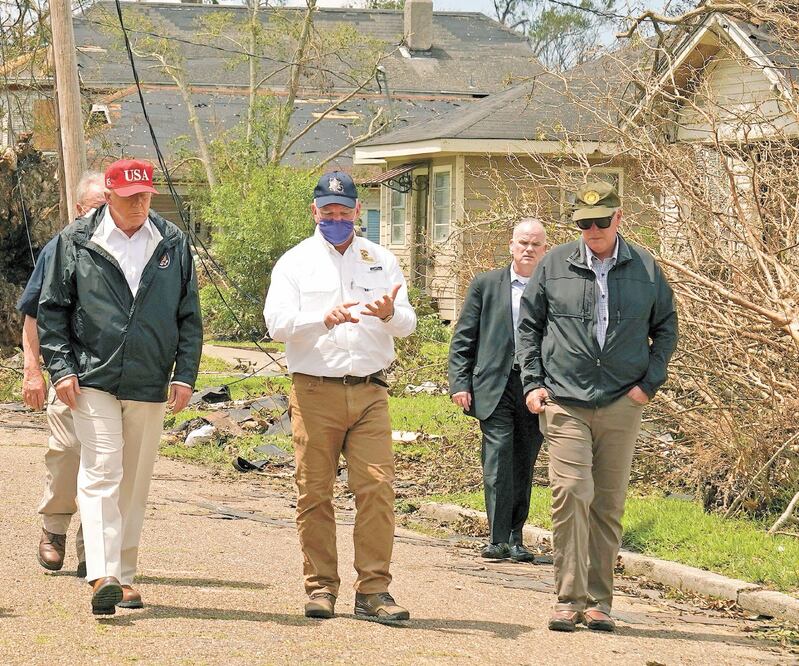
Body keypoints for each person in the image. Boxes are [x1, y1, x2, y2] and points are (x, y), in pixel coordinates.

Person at [38, 159, 203, 615]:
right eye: (131, 198)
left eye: (146, 196)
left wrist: (185, 372)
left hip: (150, 377)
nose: (140, 205)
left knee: (134, 481)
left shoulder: (172, 242)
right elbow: (51, 310)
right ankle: (102, 575)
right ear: (108, 196)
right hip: (93, 377)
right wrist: (61, 368)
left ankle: (124, 577)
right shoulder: (74, 242)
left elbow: (189, 314)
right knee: (102, 470)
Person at [517, 181, 678, 632]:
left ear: (618, 218)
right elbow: (528, 326)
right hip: (564, 400)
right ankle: (568, 599)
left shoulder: (645, 267)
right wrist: (533, 382)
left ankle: (598, 602)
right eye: (584, 223)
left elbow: (666, 328)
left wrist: (649, 384)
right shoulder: (554, 264)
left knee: (607, 503)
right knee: (571, 493)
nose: (592, 230)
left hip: (622, 401)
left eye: (601, 222)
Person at [264, 171, 416, 622]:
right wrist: (320, 319)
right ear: (315, 212)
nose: (335, 218)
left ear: (356, 211)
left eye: (343, 211)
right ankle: (321, 587)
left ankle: (373, 591)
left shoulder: (380, 259)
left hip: (370, 390)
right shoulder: (294, 263)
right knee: (314, 493)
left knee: (377, 489)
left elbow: (407, 323)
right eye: (327, 211)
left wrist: (391, 315)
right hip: (315, 391)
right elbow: (277, 324)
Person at [17, 171, 106, 577]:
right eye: (98, 207)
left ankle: (95, 547)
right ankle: (54, 529)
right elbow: (33, 313)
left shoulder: (136, 248)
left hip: (113, 375)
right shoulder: (60, 247)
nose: (106, 215)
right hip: (66, 371)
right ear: (77, 209)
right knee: (68, 453)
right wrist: (33, 370)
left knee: (104, 463)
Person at [448, 219, 547, 562]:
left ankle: (517, 537)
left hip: (535, 387)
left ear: (544, 249)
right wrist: (460, 382)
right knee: (498, 457)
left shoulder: (552, 287)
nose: (528, 249)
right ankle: (497, 537)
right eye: (522, 242)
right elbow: (464, 337)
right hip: (494, 384)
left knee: (524, 460)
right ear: (511, 245)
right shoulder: (487, 284)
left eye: (535, 244)